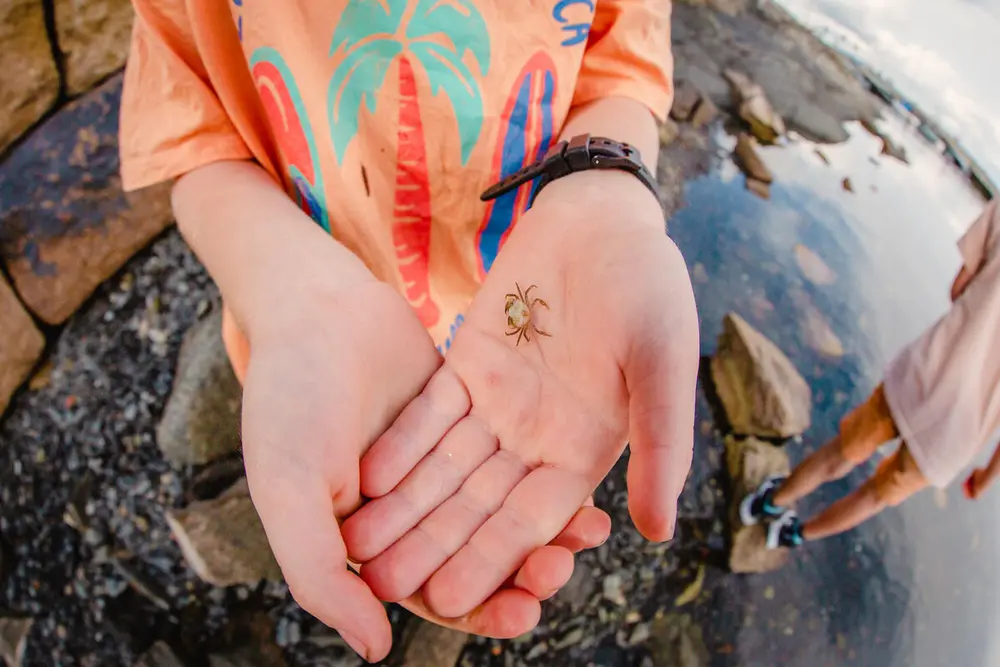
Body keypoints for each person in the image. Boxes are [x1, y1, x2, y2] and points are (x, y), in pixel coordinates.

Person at [120, 0, 698, 661]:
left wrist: (608, 195)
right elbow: (192, 131)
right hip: (325, 332)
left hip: (524, 344)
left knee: (461, 549)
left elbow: (623, 69)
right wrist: (286, 294)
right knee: (356, 515)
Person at [740, 200, 1000, 550]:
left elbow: (958, 289)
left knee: (841, 453)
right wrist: (983, 481)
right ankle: (793, 533)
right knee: (874, 497)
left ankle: (768, 503)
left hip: (927, 373)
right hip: (955, 434)